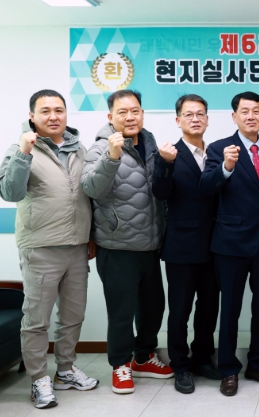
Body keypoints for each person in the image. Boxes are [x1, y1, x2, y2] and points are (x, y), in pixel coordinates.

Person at [0, 90, 98, 409]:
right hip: (40, 247)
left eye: (59, 110)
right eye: (45, 111)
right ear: (32, 116)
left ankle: (65, 371)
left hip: (77, 247)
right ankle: (39, 378)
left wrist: (91, 235)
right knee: (36, 319)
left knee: (72, 315)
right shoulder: (20, 148)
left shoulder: (79, 149)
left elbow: (88, 195)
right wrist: (24, 153)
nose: (53, 116)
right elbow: (10, 192)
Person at [81, 89, 172, 394]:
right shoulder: (100, 147)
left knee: (153, 308)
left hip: (150, 244)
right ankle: (120, 364)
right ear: (110, 117)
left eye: (135, 111)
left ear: (142, 113)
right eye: (122, 112)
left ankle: (143, 357)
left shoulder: (150, 143)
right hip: (117, 245)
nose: (130, 117)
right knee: (121, 313)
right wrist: (112, 156)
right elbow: (92, 188)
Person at [201, 92, 259, 396]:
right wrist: (225, 167)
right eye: (245, 111)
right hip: (231, 243)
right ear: (234, 116)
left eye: (256, 111)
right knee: (231, 310)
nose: (251, 116)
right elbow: (206, 187)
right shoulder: (219, 148)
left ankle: (258, 364)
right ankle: (228, 369)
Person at [152, 94, 221, 394]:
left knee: (209, 307)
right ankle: (180, 365)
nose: (195, 119)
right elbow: (160, 192)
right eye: (189, 114)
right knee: (180, 310)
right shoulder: (169, 153)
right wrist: (164, 164)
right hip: (182, 245)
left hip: (216, 244)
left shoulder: (217, 152)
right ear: (178, 120)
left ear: (207, 119)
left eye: (200, 114)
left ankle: (203, 358)